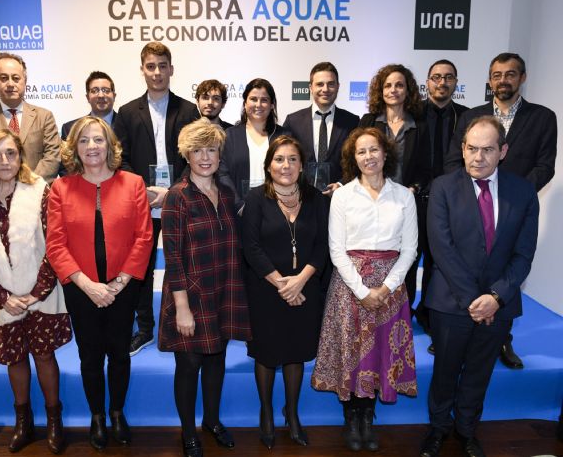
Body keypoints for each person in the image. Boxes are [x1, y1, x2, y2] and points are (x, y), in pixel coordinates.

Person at [421, 116, 539, 457]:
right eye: (471, 148)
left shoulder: (523, 191)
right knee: (444, 372)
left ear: (503, 151)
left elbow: (523, 254)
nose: (478, 157)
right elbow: (441, 249)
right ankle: (438, 429)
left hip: (498, 306)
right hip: (451, 303)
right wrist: (477, 300)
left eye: (487, 150)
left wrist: (496, 297)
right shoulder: (443, 187)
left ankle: (467, 431)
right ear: (462, 148)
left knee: (479, 373)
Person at [444, 52, 557, 370]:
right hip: (472, 204)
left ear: (522, 77)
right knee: (469, 267)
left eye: (510, 74)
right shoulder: (471, 116)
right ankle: (467, 330)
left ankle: (501, 338)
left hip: (512, 209)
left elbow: (545, 166)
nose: (503, 80)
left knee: (505, 270)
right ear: (489, 79)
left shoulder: (543, 117)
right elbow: (455, 159)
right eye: (496, 74)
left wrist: (511, 194)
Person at [46, 116, 153, 450]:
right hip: (80, 289)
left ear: (110, 145)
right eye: (83, 141)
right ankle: (97, 416)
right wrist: (88, 285)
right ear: (74, 148)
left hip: (123, 287)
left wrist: (118, 284)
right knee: (90, 355)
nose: (91, 147)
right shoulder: (60, 189)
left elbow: (144, 238)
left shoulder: (133, 184)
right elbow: (55, 245)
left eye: (98, 140)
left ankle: (117, 412)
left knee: (120, 353)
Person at [312, 127, 418, 452]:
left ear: (386, 153)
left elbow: (410, 249)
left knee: (378, 353)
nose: (368, 156)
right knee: (351, 351)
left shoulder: (404, 196)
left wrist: (385, 288)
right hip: (349, 285)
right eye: (361, 151)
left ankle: (368, 418)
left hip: (391, 287)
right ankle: (351, 418)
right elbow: (336, 249)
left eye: (374, 150)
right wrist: (362, 291)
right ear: (353, 158)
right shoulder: (343, 196)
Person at [0, 128, 71, 454]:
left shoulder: (40, 191)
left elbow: (55, 246)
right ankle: (23, 422)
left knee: (43, 355)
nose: (4, 160)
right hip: (3, 301)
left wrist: (36, 293)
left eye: (10, 153)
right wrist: (3, 298)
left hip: (42, 294)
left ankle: (55, 422)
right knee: (15, 359)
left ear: (21, 156)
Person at [158, 118, 251, 457]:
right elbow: (173, 257)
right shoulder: (177, 196)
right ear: (186, 154)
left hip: (223, 291)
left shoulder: (226, 194)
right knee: (189, 366)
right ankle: (188, 433)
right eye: (197, 150)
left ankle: (212, 420)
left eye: (211, 149)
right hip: (191, 295)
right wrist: (182, 308)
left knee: (216, 361)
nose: (205, 157)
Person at [242, 135, 328, 449]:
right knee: (266, 354)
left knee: (295, 352)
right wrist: (283, 284)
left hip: (306, 290)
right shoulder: (255, 199)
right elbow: (250, 248)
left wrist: (300, 281)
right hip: (266, 291)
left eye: (293, 159)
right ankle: (266, 412)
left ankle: (291, 412)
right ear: (268, 166)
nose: (286, 165)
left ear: (302, 165)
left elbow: (322, 247)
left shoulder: (317, 198)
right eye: (279, 159)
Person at [114, 42, 199, 356]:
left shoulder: (189, 110)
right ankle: (146, 328)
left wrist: (172, 190)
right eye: (151, 66)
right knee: (142, 268)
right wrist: (143, 190)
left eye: (163, 65)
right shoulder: (126, 112)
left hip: (180, 200)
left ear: (171, 69)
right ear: (142, 70)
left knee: (186, 266)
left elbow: (196, 157)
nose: (157, 72)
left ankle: (186, 320)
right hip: (143, 203)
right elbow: (119, 160)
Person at [359, 63, 430, 313]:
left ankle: (402, 311)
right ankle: (372, 305)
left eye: (399, 85)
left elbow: (428, 166)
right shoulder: (369, 121)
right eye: (388, 85)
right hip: (374, 203)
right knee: (376, 257)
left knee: (407, 260)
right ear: (380, 90)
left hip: (407, 204)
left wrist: (415, 187)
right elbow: (357, 160)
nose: (393, 90)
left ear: (408, 89)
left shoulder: (420, 125)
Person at [416, 60, 469, 338]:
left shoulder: (467, 116)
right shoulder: (413, 114)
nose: (442, 82)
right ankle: (403, 313)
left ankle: (430, 313)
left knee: (441, 261)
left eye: (448, 77)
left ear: (455, 83)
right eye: (436, 77)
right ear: (427, 82)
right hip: (415, 200)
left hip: (452, 202)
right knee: (411, 259)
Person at [0, 52, 61, 183]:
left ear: (25, 81)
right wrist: (3, 187)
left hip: (36, 195)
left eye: (16, 78)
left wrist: (28, 186)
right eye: (3, 78)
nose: (10, 84)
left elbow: (52, 157)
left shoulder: (44, 116)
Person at [283, 62, 360, 194]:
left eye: (331, 84)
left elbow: (357, 160)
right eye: (319, 84)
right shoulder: (293, 121)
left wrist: (341, 184)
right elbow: (284, 157)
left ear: (338, 87)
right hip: (301, 197)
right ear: (310, 87)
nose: (325, 89)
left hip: (339, 198)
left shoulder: (352, 121)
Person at [219, 78, 290, 211]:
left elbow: (292, 171)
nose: (258, 104)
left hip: (277, 208)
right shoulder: (229, 136)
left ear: (272, 105)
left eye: (264, 100)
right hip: (240, 210)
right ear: (245, 103)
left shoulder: (284, 136)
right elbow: (222, 174)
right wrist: (238, 205)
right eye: (253, 99)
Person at [59, 71, 118, 177]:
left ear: (114, 95)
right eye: (94, 91)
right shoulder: (70, 128)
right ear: (87, 97)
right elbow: (66, 167)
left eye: (106, 90)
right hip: (81, 190)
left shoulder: (128, 125)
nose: (101, 95)